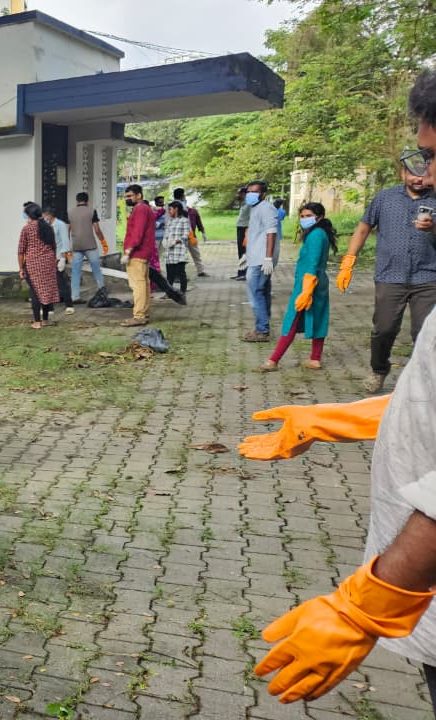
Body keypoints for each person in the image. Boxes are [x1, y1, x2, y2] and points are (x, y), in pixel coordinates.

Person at [236, 71, 436, 712]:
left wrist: (367, 605)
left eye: (435, 158)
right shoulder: (384, 204)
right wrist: (335, 420)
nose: (427, 178)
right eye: (422, 159)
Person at [335, 162, 436, 394]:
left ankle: (424, 379)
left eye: (423, 174)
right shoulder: (385, 198)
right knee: (384, 328)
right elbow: (363, 229)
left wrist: (432, 228)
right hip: (390, 275)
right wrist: (348, 261)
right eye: (413, 174)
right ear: (403, 173)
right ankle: (379, 370)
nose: (418, 179)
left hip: (428, 276)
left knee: (424, 332)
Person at [259, 203, 336, 372]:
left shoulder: (315, 235)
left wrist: (306, 290)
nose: (304, 219)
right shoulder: (320, 233)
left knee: (291, 320)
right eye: (302, 216)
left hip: (309, 283)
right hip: (317, 282)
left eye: (309, 216)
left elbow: (313, 262)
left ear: (319, 217)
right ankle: (315, 359)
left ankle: (273, 360)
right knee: (319, 318)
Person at [242, 180, 281, 342]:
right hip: (256, 257)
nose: (250, 195)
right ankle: (263, 325)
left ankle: (262, 330)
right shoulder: (256, 208)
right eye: (249, 191)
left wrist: (268, 258)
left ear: (263, 194)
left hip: (261, 259)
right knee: (263, 291)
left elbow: (271, 232)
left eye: (255, 192)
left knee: (256, 293)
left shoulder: (266, 208)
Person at [120, 184, 157, 326]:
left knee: (137, 284)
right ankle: (143, 312)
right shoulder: (145, 208)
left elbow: (137, 232)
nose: (127, 199)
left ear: (139, 195)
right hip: (144, 251)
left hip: (137, 252)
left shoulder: (140, 209)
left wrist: (128, 250)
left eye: (130, 196)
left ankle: (139, 315)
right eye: (126, 196)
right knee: (144, 283)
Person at [19, 202, 59, 329]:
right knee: (46, 290)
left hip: (33, 264)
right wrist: (53, 260)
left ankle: (37, 321)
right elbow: (54, 246)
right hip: (48, 262)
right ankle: (45, 320)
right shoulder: (48, 227)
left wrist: (20, 268)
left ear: (29, 215)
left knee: (35, 292)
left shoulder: (27, 229)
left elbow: (21, 250)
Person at [68, 192, 109, 302]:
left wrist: (68, 247)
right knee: (96, 269)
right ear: (87, 200)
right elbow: (97, 230)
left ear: (77, 201)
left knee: (76, 272)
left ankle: (75, 297)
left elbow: (68, 229)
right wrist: (103, 242)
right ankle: (102, 291)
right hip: (90, 245)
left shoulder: (70, 212)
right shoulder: (92, 211)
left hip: (76, 246)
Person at [43, 206, 75, 314]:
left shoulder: (61, 225)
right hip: (47, 257)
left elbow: (65, 242)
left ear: (50, 215)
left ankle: (69, 305)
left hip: (58, 257)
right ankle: (49, 307)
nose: (44, 218)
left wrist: (63, 258)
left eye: (45, 216)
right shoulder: (45, 225)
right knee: (48, 283)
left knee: (61, 282)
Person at [172, 187, 208, 277]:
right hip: (184, 234)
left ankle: (200, 270)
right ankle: (180, 274)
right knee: (186, 254)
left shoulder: (189, 210)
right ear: (182, 196)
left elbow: (197, 222)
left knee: (192, 253)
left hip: (186, 234)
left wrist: (202, 232)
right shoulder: (177, 207)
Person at [161, 201, 191, 296]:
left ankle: (182, 292)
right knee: (170, 274)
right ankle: (169, 292)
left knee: (181, 272)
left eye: (170, 209)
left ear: (176, 209)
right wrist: (165, 241)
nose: (169, 212)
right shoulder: (170, 221)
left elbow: (187, 234)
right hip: (169, 252)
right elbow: (166, 233)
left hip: (179, 251)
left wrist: (176, 241)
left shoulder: (184, 220)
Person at [234, 186, 252, 281]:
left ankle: (245, 273)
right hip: (240, 228)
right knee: (240, 251)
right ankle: (240, 272)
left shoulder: (249, 204)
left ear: (245, 194)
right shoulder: (244, 203)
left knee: (244, 251)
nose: (238, 195)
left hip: (245, 228)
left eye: (240, 193)